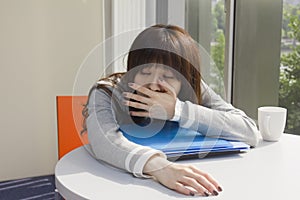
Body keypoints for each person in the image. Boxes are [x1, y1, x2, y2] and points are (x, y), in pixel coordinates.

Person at [82, 24, 259, 196]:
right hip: (116, 185)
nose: (153, 83)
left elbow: (249, 131)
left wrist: (178, 110)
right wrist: (160, 167)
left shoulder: (193, 89)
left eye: (167, 76)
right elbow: (104, 141)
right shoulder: (106, 92)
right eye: (144, 72)